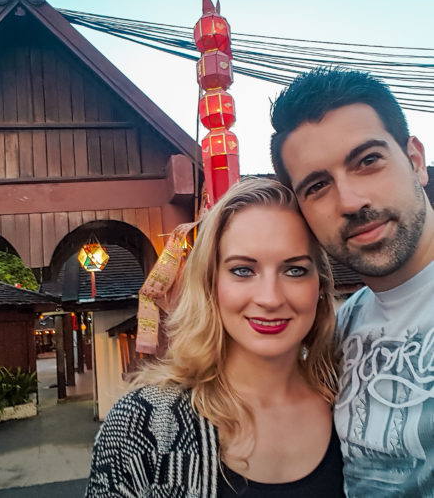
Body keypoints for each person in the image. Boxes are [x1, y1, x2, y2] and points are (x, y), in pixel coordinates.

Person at [85, 177, 344, 497]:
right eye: (243, 270)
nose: (270, 298)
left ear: (319, 286)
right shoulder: (144, 425)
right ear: (210, 284)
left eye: (294, 270)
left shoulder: (356, 404)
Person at [270, 68, 434, 497]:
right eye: (318, 185)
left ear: (415, 160)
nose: (349, 202)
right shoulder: (341, 330)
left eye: (367, 161)